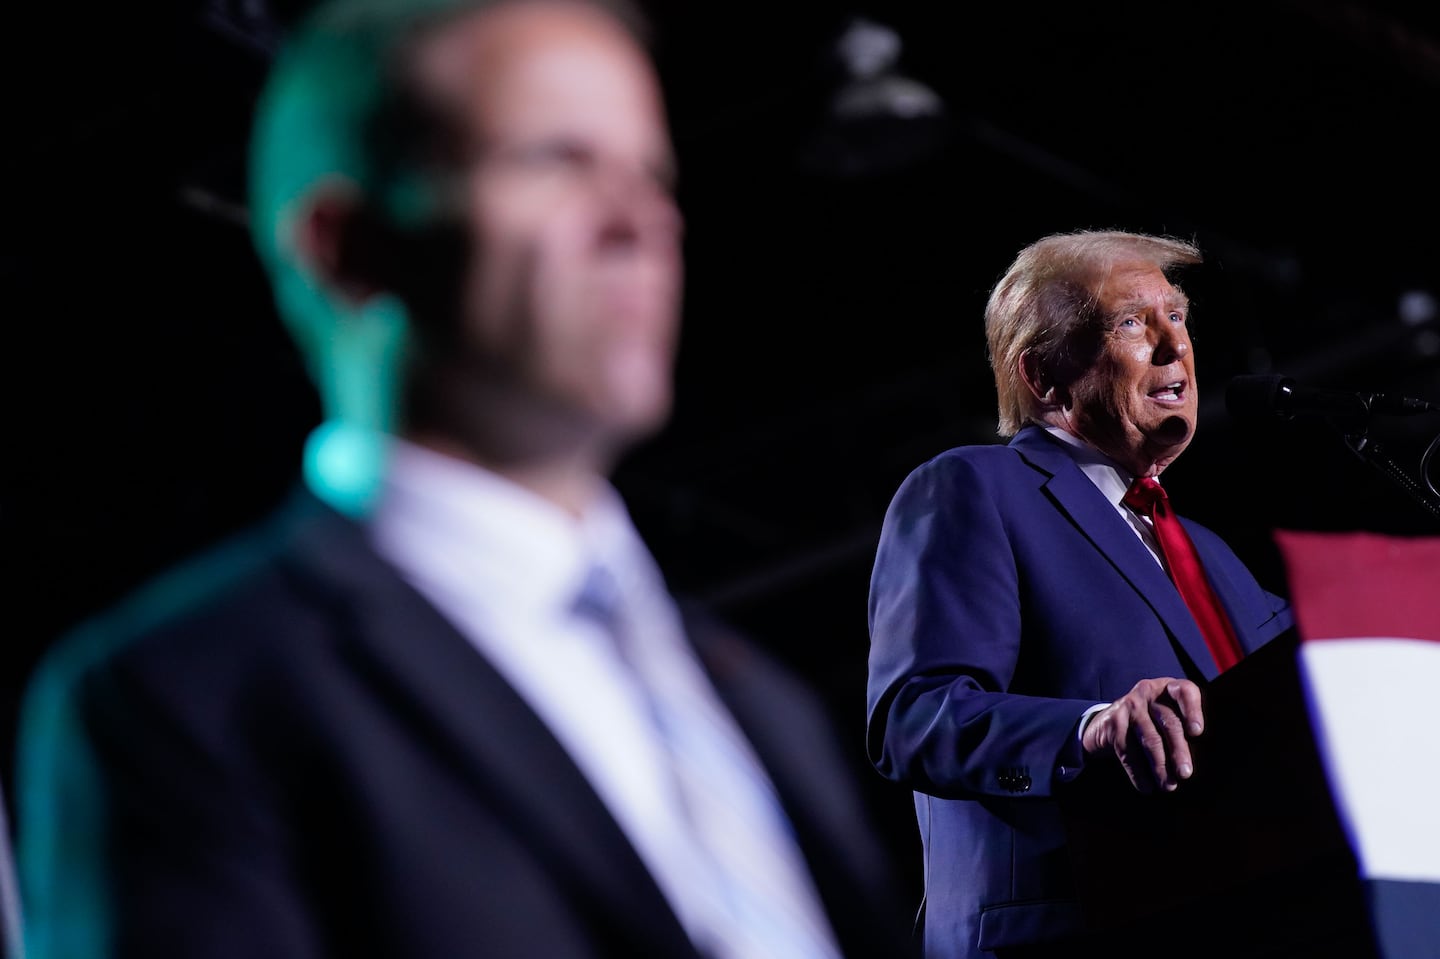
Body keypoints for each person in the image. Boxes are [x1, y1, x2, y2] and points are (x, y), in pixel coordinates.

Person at [13, 1, 913, 957]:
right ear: (342, 246)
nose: (640, 219)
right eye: (555, 159)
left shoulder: (760, 701)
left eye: (651, 172)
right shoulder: (186, 702)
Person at [864, 230, 1296, 959]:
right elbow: (915, 718)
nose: (1172, 346)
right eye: (1131, 322)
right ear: (1042, 374)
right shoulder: (973, 489)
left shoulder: (1213, 557)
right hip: (1065, 932)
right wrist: (1089, 728)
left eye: (1178, 316)